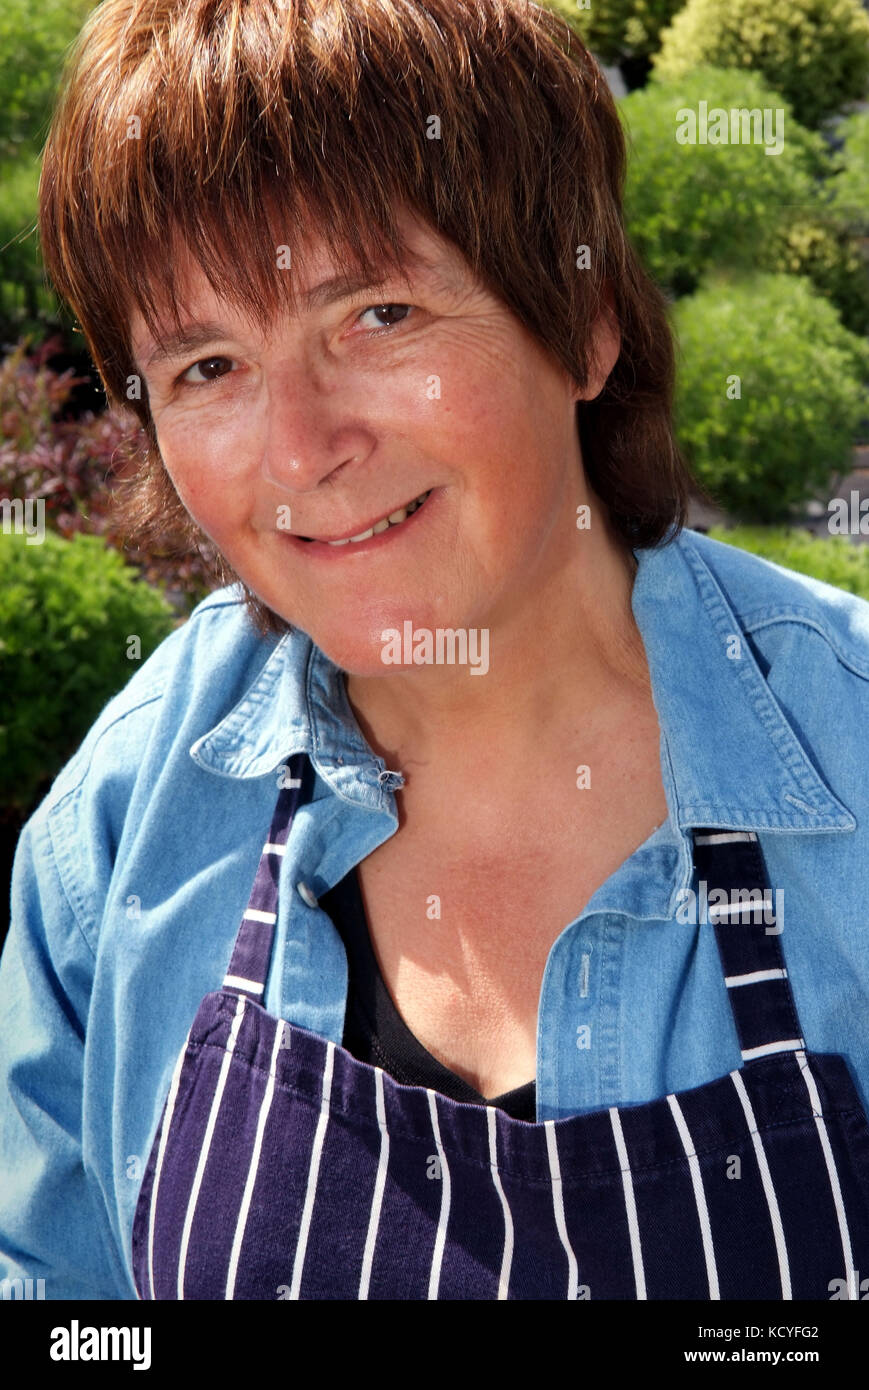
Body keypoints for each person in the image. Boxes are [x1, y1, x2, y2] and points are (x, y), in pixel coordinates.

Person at [2, 0, 869, 1302]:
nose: (299, 449)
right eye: (208, 365)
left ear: (579, 318)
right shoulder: (121, 828)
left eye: (378, 315)